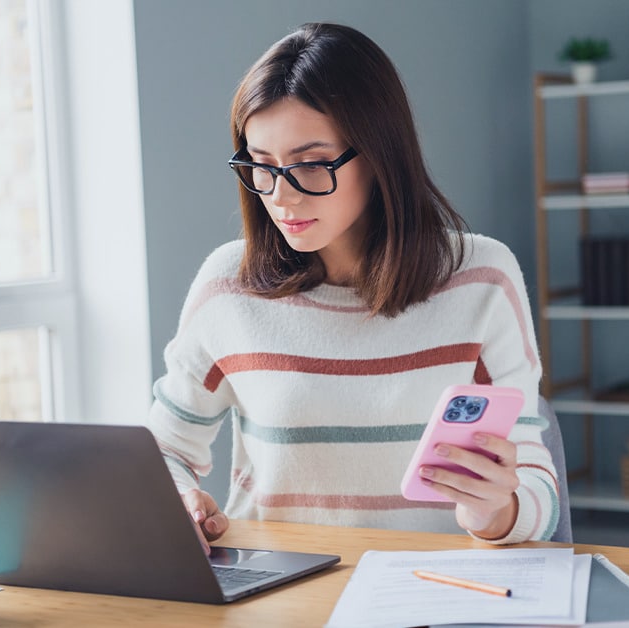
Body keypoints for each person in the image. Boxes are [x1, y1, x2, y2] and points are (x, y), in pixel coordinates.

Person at [147, 22, 558, 550]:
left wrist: (496, 511)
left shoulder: (481, 279)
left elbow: (539, 491)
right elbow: (165, 449)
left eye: (311, 165)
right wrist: (178, 497)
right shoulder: (229, 284)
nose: (282, 197)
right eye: (262, 166)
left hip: (430, 593)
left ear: (380, 153)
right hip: (279, 595)